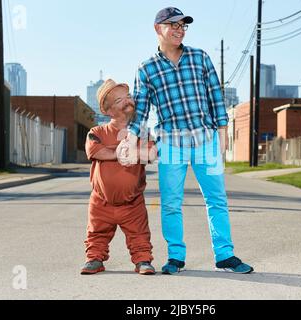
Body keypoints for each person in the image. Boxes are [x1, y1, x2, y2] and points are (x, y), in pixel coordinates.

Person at [118, 7, 254, 275]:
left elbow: (216, 96)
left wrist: (223, 134)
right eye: (174, 25)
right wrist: (130, 138)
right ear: (159, 29)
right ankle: (176, 257)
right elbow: (142, 109)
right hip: (171, 145)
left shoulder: (200, 58)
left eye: (183, 26)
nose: (180, 30)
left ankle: (225, 255)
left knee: (217, 199)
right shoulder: (146, 68)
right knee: (170, 203)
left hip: (206, 141)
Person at [81, 79, 157, 276]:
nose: (127, 101)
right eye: (119, 100)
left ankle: (143, 260)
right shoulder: (97, 132)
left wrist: (133, 150)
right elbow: (96, 151)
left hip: (132, 202)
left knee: (139, 234)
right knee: (97, 232)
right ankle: (94, 259)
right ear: (107, 110)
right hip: (101, 201)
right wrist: (124, 151)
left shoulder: (142, 133)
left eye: (129, 97)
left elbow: (150, 154)